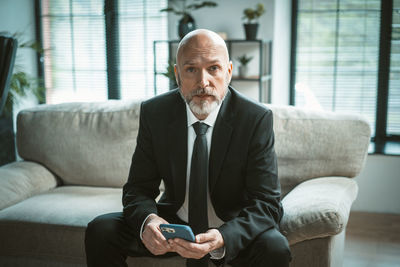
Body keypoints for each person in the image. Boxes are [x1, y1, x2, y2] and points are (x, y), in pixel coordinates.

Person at [85, 29, 291, 267]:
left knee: (275, 247)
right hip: (174, 225)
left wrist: (224, 236)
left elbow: (268, 203)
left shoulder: (255, 118)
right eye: (191, 69)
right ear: (177, 74)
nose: (203, 82)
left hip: (231, 224)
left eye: (213, 68)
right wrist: (149, 221)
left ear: (229, 72)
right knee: (101, 230)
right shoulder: (155, 113)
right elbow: (137, 189)